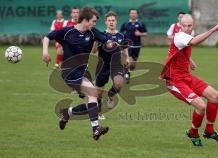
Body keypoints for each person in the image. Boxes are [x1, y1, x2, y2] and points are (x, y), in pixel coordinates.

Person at [42, 6, 116, 140]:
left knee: (92, 103)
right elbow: (48, 37)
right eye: (93, 21)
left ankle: (67, 113)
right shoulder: (67, 32)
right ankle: (96, 129)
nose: (94, 24)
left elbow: (107, 41)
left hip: (83, 73)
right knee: (93, 94)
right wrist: (45, 52)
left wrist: (112, 44)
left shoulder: (92, 32)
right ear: (86, 20)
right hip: (68, 72)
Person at [161, 14, 218, 146]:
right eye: (184, 25)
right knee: (201, 106)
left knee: (214, 96)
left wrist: (189, 60)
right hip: (174, 81)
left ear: (193, 25)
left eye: (189, 25)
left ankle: (209, 130)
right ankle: (193, 132)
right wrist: (213, 30)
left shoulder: (186, 36)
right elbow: (194, 42)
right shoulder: (179, 35)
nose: (186, 28)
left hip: (186, 76)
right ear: (179, 25)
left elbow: (180, 49)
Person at [92, 11, 129, 120]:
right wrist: (95, 44)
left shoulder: (121, 35)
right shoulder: (101, 35)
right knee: (98, 92)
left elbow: (125, 47)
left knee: (118, 85)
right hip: (102, 65)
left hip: (116, 65)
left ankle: (110, 94)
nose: (111, 22)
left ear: (116, 22)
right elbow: (93, 51)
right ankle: (99, 113)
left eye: (113, 20)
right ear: (106, 22)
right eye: (109, 20)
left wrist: (127, 57)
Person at [120, 8, 147, 83]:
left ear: (137, 14)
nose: (133, 14)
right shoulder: (125, 24)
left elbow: (145, 33)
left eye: (134, 13)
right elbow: (120, 33)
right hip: (128, 46)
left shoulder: (141, 24)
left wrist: (140, 34)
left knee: (133, 65)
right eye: (132, 13)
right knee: (129, 61)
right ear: (129, 14)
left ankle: (127, 71)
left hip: (137, 46)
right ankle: (127, 74)